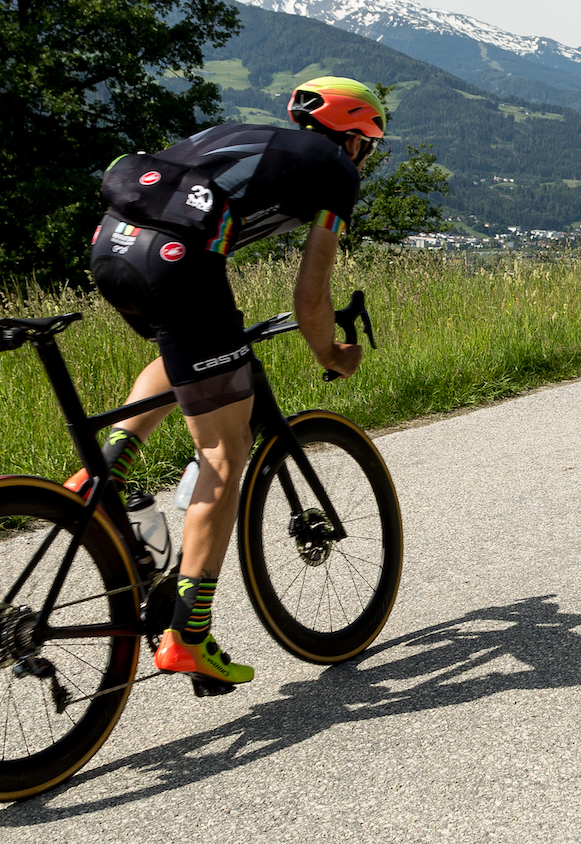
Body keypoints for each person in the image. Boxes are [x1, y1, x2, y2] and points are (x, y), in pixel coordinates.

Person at [79, 76, 386, 688]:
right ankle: (187, 638)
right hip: (177, 263)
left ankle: (99, 475)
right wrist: (331, 353)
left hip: (112, 246)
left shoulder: (241, 137)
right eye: (368, 146)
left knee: (188, 352)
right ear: (352, 138)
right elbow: (310, 297)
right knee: (224, 452)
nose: (363, 158)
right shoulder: (334, 171)